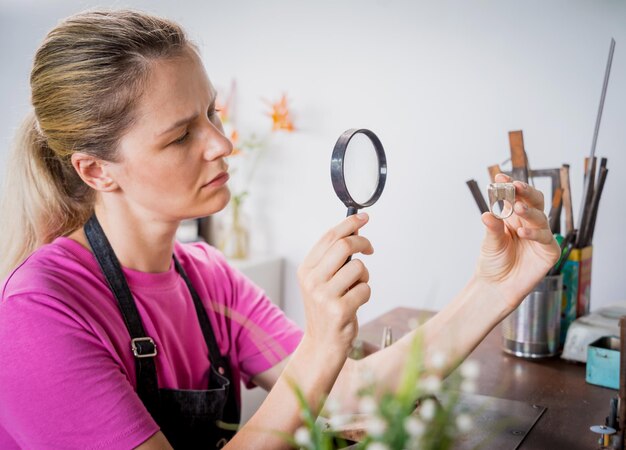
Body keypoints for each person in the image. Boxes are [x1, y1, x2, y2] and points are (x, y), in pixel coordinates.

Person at [0, 9, 560, 450]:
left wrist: (494, 289)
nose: (222, 144)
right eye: (179, 136)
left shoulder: (206, 277)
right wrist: (319, 346)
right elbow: (319, 375)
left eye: (213, 115)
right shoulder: (37, 313)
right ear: (96, 170)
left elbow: (347, 394)